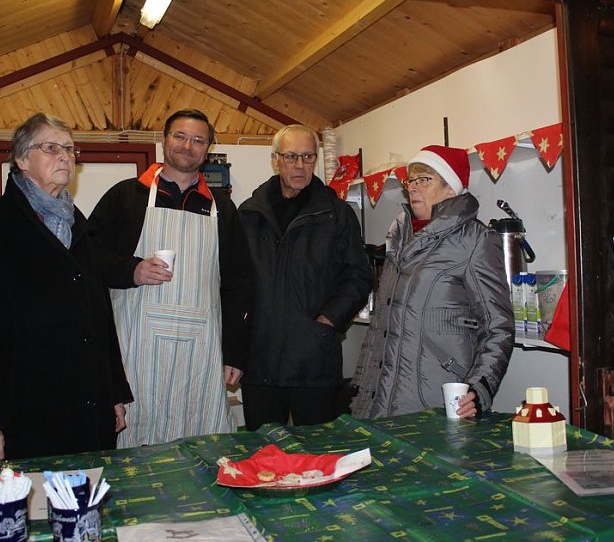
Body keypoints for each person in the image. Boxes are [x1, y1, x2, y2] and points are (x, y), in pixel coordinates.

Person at [0, 112, 133, 463]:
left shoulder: (80, 227)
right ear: (20, 159)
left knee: (87, 507)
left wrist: (114, 394)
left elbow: (100, 320)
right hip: (23, 415)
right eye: (51, 148)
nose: (65, 156)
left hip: (85, 411)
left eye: (70, 149)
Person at [89, 109, 253, 446]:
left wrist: (234, 352)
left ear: (207, 149)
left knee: (201, 444)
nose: (187, 146)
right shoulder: (126, 197)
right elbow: (88, 261)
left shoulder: (221, 207)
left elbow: (239, 283)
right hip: (136, 349)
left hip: (201, 350)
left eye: (198, 140)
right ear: (164, 141)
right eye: (180, 136)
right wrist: (130, 270)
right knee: (136, 439)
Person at [350, 145, 514, 420]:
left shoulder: (476, 240)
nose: (412, 188)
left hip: (435, 401)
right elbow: (381, 328)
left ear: (451, 187)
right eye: (410, 180)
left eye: (424, 180)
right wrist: (361, 389)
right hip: (378, 400)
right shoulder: (400, 238)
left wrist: (479, 388)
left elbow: (498, 326)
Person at [238, 124, 372, 431]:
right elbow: (234, 282)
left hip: (314, 361)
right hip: (260, 362)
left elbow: (358, 277)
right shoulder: (249, 215)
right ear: (276, 160)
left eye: (308, 157)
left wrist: (327, 321)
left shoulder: (337, 215)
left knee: (318, 458)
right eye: (292, 156)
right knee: (263, 458)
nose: (300, 165)